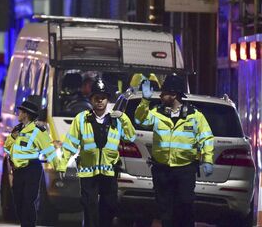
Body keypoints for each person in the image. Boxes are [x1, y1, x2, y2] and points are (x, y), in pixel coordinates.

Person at [135, 74, 214, 227]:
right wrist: (145, 100)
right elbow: (140, 120)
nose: (160, 95)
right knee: (166, 211)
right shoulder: (157, 113)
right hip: (162, 170)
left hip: (185, 170)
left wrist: (208, 159)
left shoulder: (194, 116)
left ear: (173, 94)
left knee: (185, 207)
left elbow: (206, 138)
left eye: (163, 93)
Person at [58, 79, 136, 227]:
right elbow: (70, 144)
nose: (100, 101)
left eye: (103, 98)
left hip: (109, 171)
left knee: (110, 207)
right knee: (89, 207)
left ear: (107, 99)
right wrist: (62, 164)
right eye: (96, 98)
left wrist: (124, 118)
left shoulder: (117, 119)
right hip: (88, 172)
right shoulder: (81, 119)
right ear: (91, 99)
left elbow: (130, 137)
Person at [3, 99, 64, 227]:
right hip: (18, 171)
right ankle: (26, 223)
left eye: (20, 112)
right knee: (18, 202)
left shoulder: (38, 132)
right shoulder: (17, 129)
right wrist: (12, 137)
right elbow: (7, 148)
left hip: (32, 169)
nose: (18, 114)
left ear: (26, 114)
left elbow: (49, 151)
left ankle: (28, 225)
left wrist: (59, 166)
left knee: (28, 201)